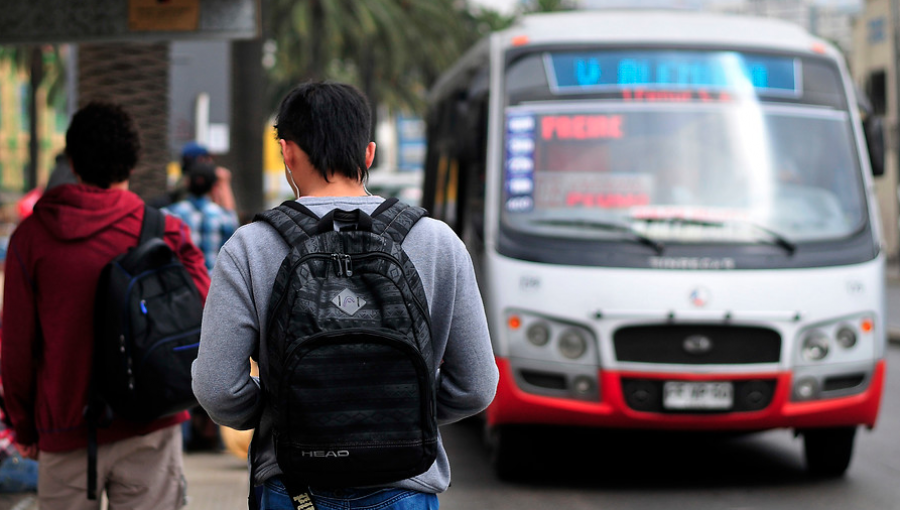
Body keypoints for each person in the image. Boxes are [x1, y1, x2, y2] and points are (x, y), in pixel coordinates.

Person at [191, 81, 499, 510]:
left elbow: (218, 390)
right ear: (369, 154)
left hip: (293, 489)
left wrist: (290, 414)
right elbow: (477, 386)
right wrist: (400, 415)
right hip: (404, 485)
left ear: (288, 152)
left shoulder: (249, 247)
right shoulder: (437, 242)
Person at [1, 101, 210, 510]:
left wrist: (24, 429)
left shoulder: (33, 238)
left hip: (64, 428)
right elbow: (202, 314)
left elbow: (15, 348)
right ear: (133, 163)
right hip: (151, 424)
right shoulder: (165, 231)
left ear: (73, 163)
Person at [164, 162, 239, 272]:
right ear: (214, 187)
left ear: (187, 183)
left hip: (182, 283)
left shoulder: (169, 214)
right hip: (213, 284)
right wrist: (224, 183)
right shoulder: (224, 217)